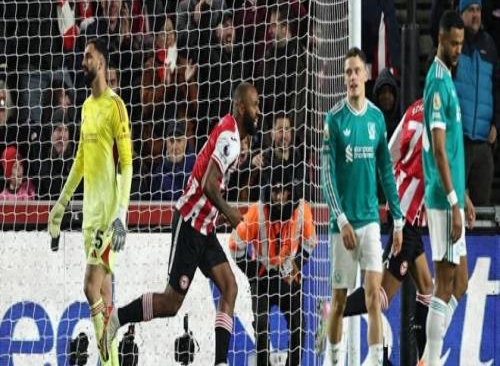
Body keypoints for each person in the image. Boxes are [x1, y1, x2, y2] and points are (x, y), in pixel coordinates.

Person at [101, 82, 261, 366]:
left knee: (230, 287)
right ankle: (116, 318)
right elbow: (208, 184)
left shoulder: (231, 132)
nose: (258, 111)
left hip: (205, 227)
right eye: (254, 105)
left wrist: (220, 213)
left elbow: (211, 182)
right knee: (170, 303)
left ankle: (220, 362)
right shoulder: (230, 139)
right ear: (240, 107)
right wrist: (232, 213)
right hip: (189, 224)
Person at [315, 98, 434, 361]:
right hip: (407, 215)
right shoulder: (437, 118)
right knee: (381, 295)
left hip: (406, 210)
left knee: (426, 287)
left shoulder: (414, 109)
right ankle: (331, 310)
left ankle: (423, 359)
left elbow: (389, 152)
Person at [47, 38, 133, 365]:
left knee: (90, 287)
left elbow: (127, 164)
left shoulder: (115, 106)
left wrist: (121, 214)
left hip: (109, 218)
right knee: (105, 296)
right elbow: (81, 159)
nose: (83, 61)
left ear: (101, 63)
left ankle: (107, 360)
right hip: (89, 218)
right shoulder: (85, 107)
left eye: (88, 56)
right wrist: (61, 203)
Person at [321, 47, 403, 365]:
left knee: (373, 298)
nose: (352, 77)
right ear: (344, 79)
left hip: (369, 221)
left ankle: (375, 361)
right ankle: (334, 361)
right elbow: (327, 175)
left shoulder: (377, 119)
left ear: (366, 74)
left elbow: (386, 171)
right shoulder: (334, 119)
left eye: (357, 71)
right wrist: (341, 219)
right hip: (342, 226)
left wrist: (397, 219)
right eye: (348, 72)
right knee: (339, 302)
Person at [421, 10, 475, 366]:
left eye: (461, 44)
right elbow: (439, 150)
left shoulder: (447, 79)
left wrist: (464, 194)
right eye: (453, 43)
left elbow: (452, 151)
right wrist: (454, 202)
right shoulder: (438, 85)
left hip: (452, 194)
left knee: (461, 283)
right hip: (442, 200)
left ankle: (428, 356)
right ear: (440, 39)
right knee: (443, 284)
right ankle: (430, 359)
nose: (458, 49)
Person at [229, 166, 316, 366]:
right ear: (269, 191)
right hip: (263, 276)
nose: (279, 197)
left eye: (283, 191)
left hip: (289, 276)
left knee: (299, 325)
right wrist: (251, 272)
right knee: (261, 326)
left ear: (291, 191)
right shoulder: (257, 211)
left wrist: (296, 264)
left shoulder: (302, 209)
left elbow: (310, 242)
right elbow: (234, 245)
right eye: (275, 191)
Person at [431, 0, 499, 206]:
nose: (475, 14)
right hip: (458, 141)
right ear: (461, 13)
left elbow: (496, 88)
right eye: (470, 10)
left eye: (478, 9)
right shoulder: (455, 46)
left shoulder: (490, 46)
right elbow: (435, 28)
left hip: (483, 144)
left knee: (481, 211)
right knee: (455, 204)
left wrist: (496, 124)